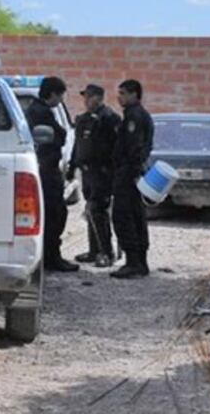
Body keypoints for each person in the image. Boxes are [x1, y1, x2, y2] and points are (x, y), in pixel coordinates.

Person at [24, 76, 79, 273]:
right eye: (60, 95)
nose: (61, 100)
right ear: (53, 94)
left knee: (54, 213)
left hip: (46, 167)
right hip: (46, 170)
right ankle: (51, 257)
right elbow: (60, 135)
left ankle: (50, 255)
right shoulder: (41, 112)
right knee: (55, 214)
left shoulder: (37, 109)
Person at [69, 84, 121, 268]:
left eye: (89, 97)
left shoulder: (109, 118)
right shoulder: (84, 119)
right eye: (85, 97)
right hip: (87, 171)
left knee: (98, 210)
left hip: (102, 172)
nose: (86, 101)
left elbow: (117, 147)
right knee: (90, 210)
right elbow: (79, 144)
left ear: (98, 98)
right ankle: (93, 250)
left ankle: (107, 252)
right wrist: (72, 166)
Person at [110, 79, 155, 280]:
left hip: (128, 173)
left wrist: (126, 169)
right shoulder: (137, 114)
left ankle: (133, 262)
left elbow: (134, 147)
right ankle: (139, 262)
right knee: (136, 215)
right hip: (133, 172)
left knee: (123, 215)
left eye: (123, 93)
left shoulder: (134, 117)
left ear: (134, 94)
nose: (120, 97)